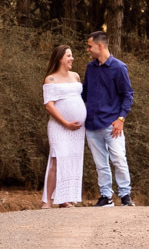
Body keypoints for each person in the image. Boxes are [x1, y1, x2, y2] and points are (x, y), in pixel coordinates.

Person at [82, 30, 135, 208]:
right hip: (91, 125)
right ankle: (106, 196)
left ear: (100, 45)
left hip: (112, 124)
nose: (88, 49)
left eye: (89, 46)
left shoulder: (119, 68)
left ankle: (125, 195)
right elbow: (84, 94)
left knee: (119, 159)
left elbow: (128, 95)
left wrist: (121, 119)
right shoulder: (90, 68)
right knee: (100, 163)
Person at [41, 44, 86, 208]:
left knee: (71, 160)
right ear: (60, 58)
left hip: (77, 129)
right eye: (68, 56)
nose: (72, 58)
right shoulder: (50, 79)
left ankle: (63, 199)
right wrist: (66, 122)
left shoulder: (75, 77)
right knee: (57, 160)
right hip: (59, 127)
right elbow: (49, 105)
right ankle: (47, 201)